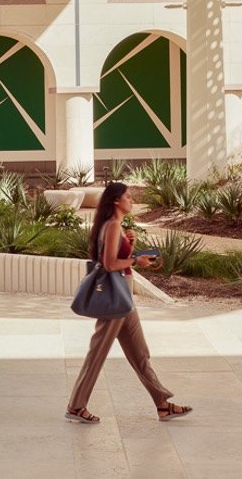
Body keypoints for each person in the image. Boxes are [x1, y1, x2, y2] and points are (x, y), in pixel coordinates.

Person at [65, 180, 192, 425]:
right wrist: (137, 260)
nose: (131, 201)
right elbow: (111, 264)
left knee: (140, 353)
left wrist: (131, 247)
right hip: (115, 299)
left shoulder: (116, 226)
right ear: (116, 201)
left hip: (123, 298)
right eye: (128, 197)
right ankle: (76, 405)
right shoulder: (112, 225)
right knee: (98, 353)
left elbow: (114, 258)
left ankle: (162, 404)